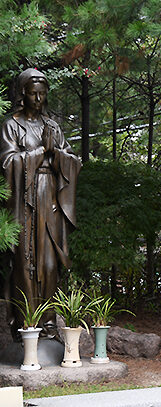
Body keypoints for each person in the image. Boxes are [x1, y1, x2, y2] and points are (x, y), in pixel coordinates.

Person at [0, 68, 81, 339]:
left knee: (48, 264)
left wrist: (56, 152)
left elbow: (73, 162)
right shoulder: (11, 125)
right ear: (23, 93)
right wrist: (39, 152)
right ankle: (25, 325)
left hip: (49, 199)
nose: (38, 98)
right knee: (25, 263)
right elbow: (7, 163)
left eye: (42, 94)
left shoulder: (52, 126)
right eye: (33, 93)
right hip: (23, 200)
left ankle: (47, 324)